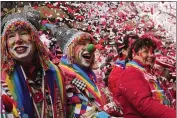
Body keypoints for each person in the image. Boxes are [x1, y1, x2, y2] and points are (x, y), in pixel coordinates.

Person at [1, 6, 66, 118]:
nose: (18, 40)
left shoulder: (57, 73)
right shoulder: (2, 81)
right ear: (5, 45)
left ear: (35, 39)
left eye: (23, 33)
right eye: (11, 36)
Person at [45, 24, 123, 118]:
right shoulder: (63, 75)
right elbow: (74, 109)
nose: (90, 48)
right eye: (82, 44)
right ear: (70, 50)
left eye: (89, 44)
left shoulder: (91, 74)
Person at [110, 37, 176, 118]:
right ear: (134, 53)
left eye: (152, 52)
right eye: (146, 52)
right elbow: (145, 105)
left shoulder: (149, 73)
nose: (151, 55)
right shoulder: (130, 73)